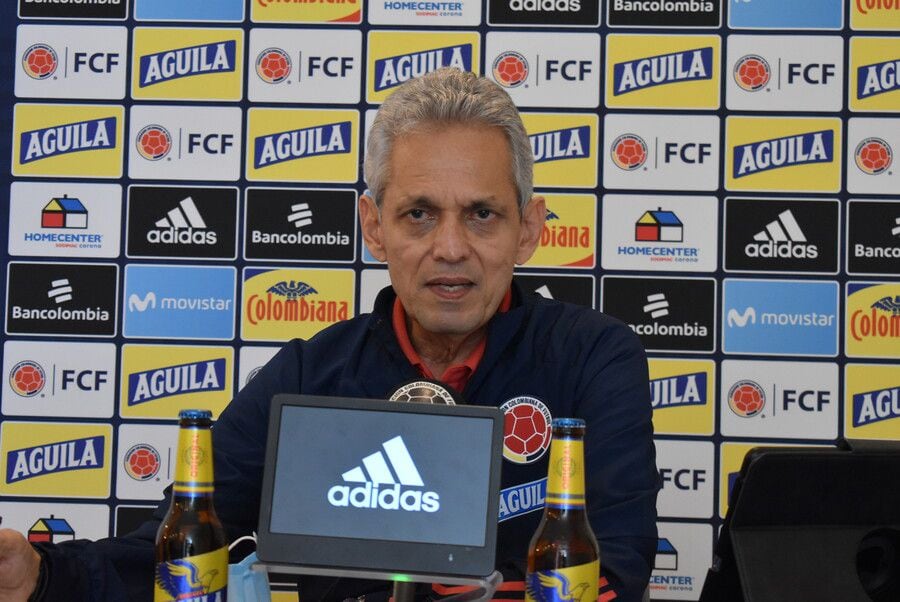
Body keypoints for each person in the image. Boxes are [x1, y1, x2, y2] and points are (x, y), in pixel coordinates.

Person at [0, 68, 659, 602]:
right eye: (419, 214)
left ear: (529, 227)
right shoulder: (310, 374)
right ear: (374, 227)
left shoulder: (592, 359)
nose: (450, 247)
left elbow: (614, 572)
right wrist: (43, 577)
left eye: (482, 214)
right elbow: (182, 545)